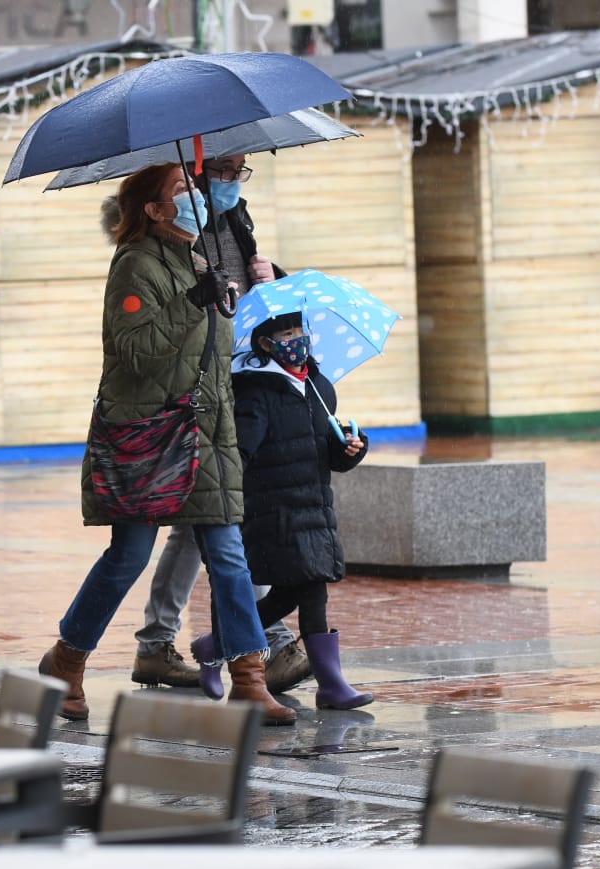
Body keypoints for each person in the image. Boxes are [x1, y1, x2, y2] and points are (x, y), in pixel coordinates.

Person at [39, 162, 295, 726]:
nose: (196, 198)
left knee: (229, 554)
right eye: (182, 191)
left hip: (207, 433)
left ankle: (250, 678)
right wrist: (191, 303)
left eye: (193, 188)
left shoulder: (200, 259)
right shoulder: (135, 265)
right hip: (153, 436)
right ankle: (67, 659)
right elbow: (135, 350)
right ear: (154, 210)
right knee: (128, 556)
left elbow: (212, 356)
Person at [129, 153, 315, 695]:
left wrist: (270, 277)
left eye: (241, 171)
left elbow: (248, 306)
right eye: (224, 170)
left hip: (235, 377)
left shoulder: (234, 219)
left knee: (206, 520)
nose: (234, 180)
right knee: (217, 518)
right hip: (200, 390)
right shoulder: (168, 241)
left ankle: (160, 643)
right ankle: (264, 646)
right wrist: (202, 294)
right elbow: (158, 328)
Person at [190, 311, 373, 710]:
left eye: (300, 331)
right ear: (265, 345)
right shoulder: (256, 393)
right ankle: (331, 683)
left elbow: (329, 453)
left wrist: (350, 447)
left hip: (315, 507)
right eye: (286, 334)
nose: (297, 340)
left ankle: (214, 644)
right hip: (274, 511)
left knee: (290, 594)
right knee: (311, 588)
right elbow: (240, 455)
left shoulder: (319, 387)